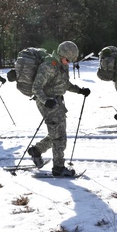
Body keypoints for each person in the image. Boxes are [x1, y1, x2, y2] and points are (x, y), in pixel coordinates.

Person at [28, 41, 91, 177]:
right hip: (48, 103)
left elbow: (64, 83)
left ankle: (37, 150)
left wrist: (79, 90)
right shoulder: (48, 66)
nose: (68, 63)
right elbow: (36, 88)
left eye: (70, 61)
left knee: (57, 133)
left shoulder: (62, 65)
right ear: (61, 54)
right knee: (59, 137)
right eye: (67, 59)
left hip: (57, 102)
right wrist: (46, 101)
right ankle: (58, 167)